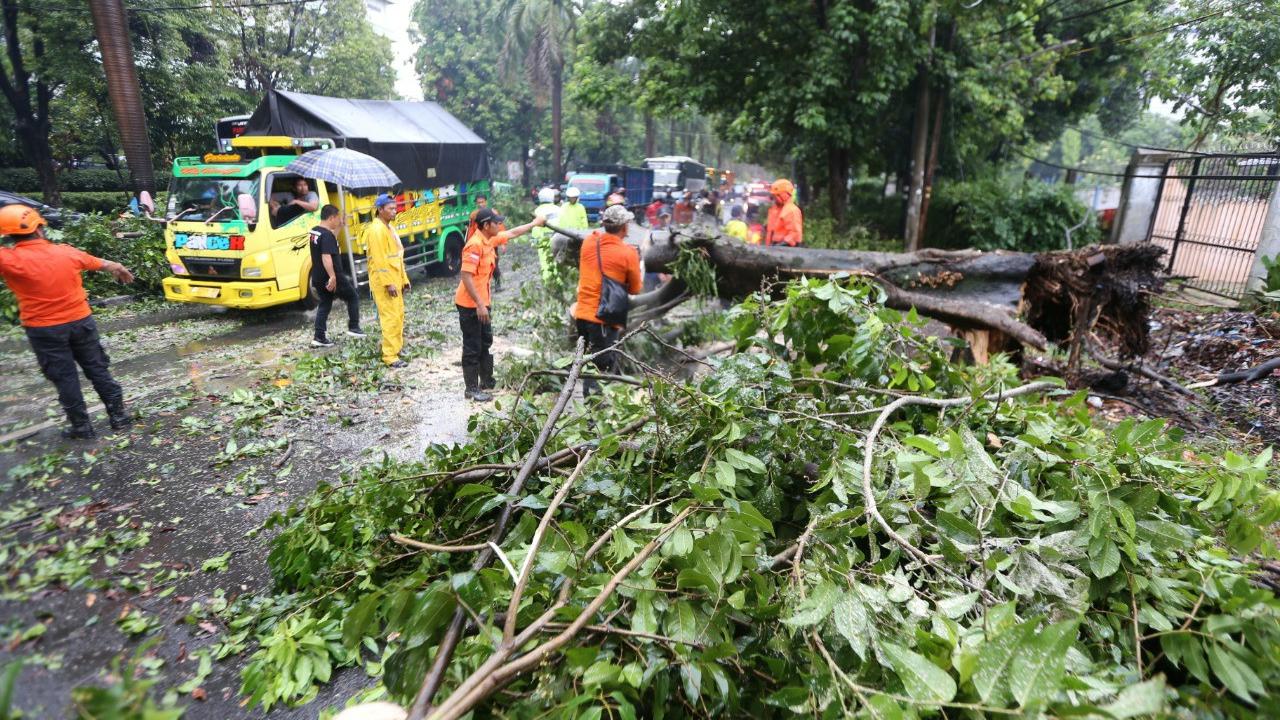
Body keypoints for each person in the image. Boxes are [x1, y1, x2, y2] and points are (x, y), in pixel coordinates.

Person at [0, 206, 135, 439]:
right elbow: (104, 264)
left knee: (65, 378)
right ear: (40, 229)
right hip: (81, 323)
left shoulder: (9, 259)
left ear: (8, 236)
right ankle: (119, 417)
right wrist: (119, 268)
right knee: (98, 369)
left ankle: (82, 428)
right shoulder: (67, 253)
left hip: (44, 330)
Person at [455, 207, 546, 402]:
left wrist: (534, 224)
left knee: (485, 341)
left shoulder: (489, 239)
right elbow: (466, 276)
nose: (499, 225)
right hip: (470, 304)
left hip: (482, 302)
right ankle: (471, 389)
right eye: (496, 223)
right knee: (472, 345)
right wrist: (479, 304)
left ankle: (486, 381)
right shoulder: (474, 245)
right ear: (486, 225)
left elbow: (512, 233)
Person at [574, 204, 642, 397]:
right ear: (625, 227)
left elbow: (595, 233)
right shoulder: (628, 253)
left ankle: (591, 405)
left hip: (581, 315)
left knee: (588, 359)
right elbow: (636, 288)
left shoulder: (589, 242)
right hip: (603, 318)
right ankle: (594, 412)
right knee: (600, 364)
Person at [309, 204, 365, 347]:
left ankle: (319, 336)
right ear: (331, 217)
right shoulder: (326, 235)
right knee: (353, 297)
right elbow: (326, 256)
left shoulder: (315, 231)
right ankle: (354, 327)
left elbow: (329, 240)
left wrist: (340, 226)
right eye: (337, 218)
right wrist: (333, 276)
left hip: (317, 276)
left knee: (325, 304)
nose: (338, 220)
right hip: (331, 276)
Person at [365, 193, 410, 367]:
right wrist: (389, 283)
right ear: (380, 209)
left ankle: (397, 348)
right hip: (385, 282)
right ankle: (390, 356)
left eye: (395, 208)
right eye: (390, 209)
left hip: (394, 279)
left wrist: (403, 279)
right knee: (390, 317)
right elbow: (379, 260)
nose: (394, 211)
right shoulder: (376, 230)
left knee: (398, 314)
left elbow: (396, 257)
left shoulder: (388, 228)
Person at [765, 178, 804, 246]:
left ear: (783, 195)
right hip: (774, 247)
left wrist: (781, 245)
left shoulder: (791, 211)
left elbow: (794, 233)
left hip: (786, 248)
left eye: (775, 196)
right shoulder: (776, 209)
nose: (773, 199)